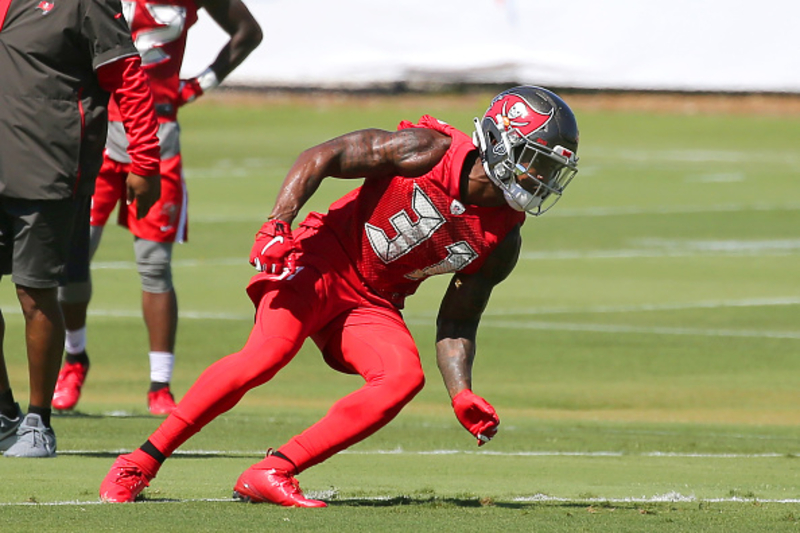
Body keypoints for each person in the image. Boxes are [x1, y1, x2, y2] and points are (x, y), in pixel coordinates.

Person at [99, 86, 580, 504]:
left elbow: (457, 323)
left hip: (374, 300)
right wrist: (276, 222)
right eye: (534, 158)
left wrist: (461, 392)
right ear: (498, 140)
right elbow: (323, 155)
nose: (539, 177)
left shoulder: (503, 239)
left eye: (549, 167)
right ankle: (140, 460)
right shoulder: (430, 149)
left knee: (402, 378)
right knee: (268, 353)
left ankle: (273, 471)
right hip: (320, 259)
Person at [52, 0, 263, 415]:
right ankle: (74, 359)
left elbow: (248, 32)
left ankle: (159, 384)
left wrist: (198, 84)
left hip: (158, 129)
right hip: (95, 126)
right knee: (72, 256)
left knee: (153, 262)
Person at [0, 0, 162, 458]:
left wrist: (145, 159)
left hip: (48, 165)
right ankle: (4, 412)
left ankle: (37, 422)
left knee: (34, 291)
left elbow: (128, 77)